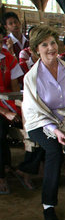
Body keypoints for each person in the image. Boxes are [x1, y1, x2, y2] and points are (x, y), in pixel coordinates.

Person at [23, 25, 65, 220]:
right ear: (36, 49)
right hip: (41, 124)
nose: (51, 47)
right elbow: (32, 111)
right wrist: (54, 129)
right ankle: (48, 204)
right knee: (53, 151)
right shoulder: (31, 78)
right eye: (44, 44)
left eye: (53, 42)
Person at [0, 45, 23, 194]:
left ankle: (28, 169)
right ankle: (1, 175)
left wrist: (18, 109)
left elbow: (14, 89)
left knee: (34, 124)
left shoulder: (9, 59)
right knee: (0, 130)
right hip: (2, 108)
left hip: (8, 103)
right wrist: (4, 112)